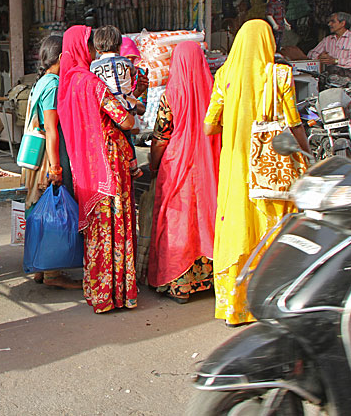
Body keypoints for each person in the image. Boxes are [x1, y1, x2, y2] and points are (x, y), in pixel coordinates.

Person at [204, 20, 309, 326]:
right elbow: (294, 123)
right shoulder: (278, 74)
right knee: (271, 229)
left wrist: (237, 120)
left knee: (237, 226)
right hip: (270, 169)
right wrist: (307, 154)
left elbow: (210, 125)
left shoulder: (224, 76)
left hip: (236, 165)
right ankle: (271, 301)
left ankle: (235, 306)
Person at [57, 25, 138, 314]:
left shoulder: (67, 84)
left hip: (85, 166)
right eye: (89, 46)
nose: (93, 51)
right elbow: (124, 121)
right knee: (115, 222)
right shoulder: (91, 83)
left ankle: (98, 292)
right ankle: (118, 293)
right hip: (109, 161)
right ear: (82, 48)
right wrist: (133, 112)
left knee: (97, 228)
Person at [148, 42, 221, 304]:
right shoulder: (213, 92)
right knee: (205, 218)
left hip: (177, 164)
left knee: (179, 222)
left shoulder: (171, 94)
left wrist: (154, 164)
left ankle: (180, 284)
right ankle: (210, 278)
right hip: (208, 164)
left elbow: (160, 136)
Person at [22, 35, 80, 290]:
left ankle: (41, 268)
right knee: (54, 208)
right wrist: (56, 168)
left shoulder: (40, 82)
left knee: (40, 208)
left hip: (33, 156)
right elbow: (52, 129)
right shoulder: (53, 85)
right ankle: (53, 272)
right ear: (60, 58)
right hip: (48, 156)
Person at [90, 26, 145, 178]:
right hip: (125, 106)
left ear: (97, 47)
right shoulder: (127, 63)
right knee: (127, 139)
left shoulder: (93, 67)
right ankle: (133, 166)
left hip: (107, 110)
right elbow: (133, 78)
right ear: (119, 45)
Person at [308, 11, 351, 80]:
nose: (329, 24)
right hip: (331, 78)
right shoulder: (328, 40)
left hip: (350, 80)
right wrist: (320, 57)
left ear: (342, 23)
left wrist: (336, 61)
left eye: (333, 21)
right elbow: (310, 54)